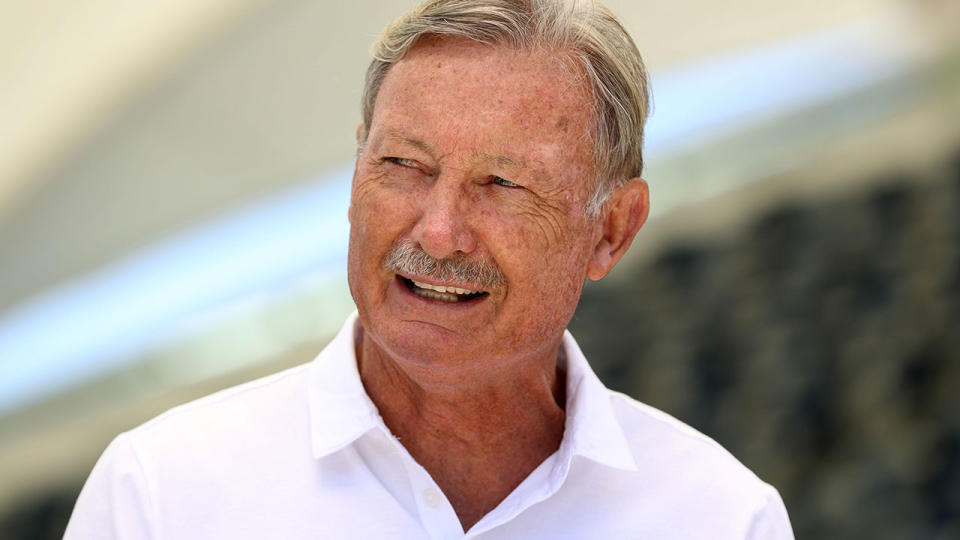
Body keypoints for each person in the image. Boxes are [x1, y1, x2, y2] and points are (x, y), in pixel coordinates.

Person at [65, 0, 794, 538]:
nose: (439, 232)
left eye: (502, 184)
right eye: (404, 166)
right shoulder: (159, 494)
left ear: (612, 229)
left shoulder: (721, 518)